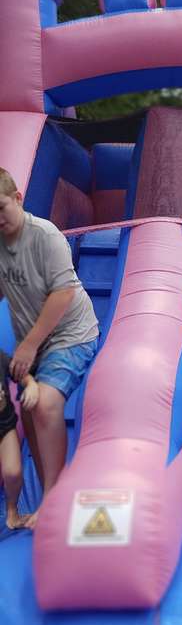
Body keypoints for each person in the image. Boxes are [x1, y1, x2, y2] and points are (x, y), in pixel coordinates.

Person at [0, 167, 99, 530]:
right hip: (33, 339)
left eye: (0, 208)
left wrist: (28, 345)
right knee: (29, 410)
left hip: (71, 334)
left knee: (44, 403)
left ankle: (54, 499)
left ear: (17, 199)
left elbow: (63, 293)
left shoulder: (45, 236)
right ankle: (49, 493)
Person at [0, 348, 39, 528]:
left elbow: (19, 372)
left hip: (5, 426)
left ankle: (12, 512)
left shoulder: (1, 357)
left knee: (13, 473)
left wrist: (30, 384)